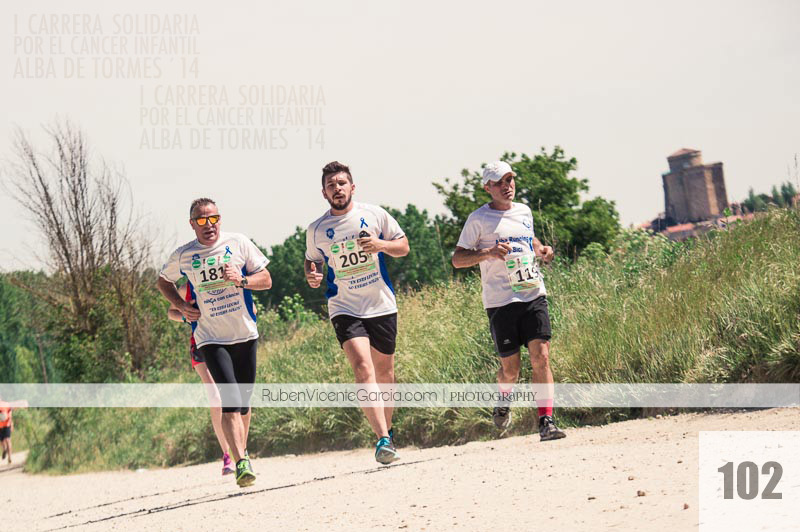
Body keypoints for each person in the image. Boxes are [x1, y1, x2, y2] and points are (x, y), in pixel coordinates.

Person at [157, 198, 271, 487]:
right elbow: (163, 281)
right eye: (201, 220)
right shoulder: (184, 255)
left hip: (244, 333)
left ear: (220, 219)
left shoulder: (239, 242)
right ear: (192, 224)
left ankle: (242, 451)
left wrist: (242, 280)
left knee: (243, 403)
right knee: (229, 398)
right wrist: (181, 307)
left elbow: (266, 279)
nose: (208, 225)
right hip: (209, 337)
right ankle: (240, 461)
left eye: (213, 218)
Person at [451, 161, 566, 441]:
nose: (507, 186)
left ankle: (546, 422)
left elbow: (529, 238)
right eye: (500, 182)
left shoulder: (524, 211)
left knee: (541, 356)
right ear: (487, 188)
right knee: (510, 370)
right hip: (500, 301)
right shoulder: (478, 219)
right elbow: (458, 259)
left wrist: (542, 250)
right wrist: (488, 253)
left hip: (532, 292)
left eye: (510, 180)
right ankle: (503, 400)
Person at [304, 161, 409, 464]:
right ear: (324, 193)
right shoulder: (317, 229)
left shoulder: (374, 214)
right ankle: (382, 439)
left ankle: (388, 430)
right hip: (344, 306)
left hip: (380, 303)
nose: (337, 189)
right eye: (331, 185)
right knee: (363, 367)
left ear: (352, 187)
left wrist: (380, 244)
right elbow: (313, 261)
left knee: (385, 374)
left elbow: (403, 247)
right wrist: (312, 274)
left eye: (341, 183)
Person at [167, 282, 235, 476]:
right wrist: (185, 315)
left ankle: (240, 449)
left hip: (227, 342)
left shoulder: (222, 281)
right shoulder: (185, 289)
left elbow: (250, 306)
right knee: (215, 399)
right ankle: (227, 455)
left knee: (234, 396)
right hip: (199, 345)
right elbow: (171, 312)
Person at [0, 396, 27, 464]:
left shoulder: (6, 404)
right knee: (2, 441)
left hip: (7, 425)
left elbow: (13, 408)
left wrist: (22, 405)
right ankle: (5, 449)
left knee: (8, 440)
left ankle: (9, 457)